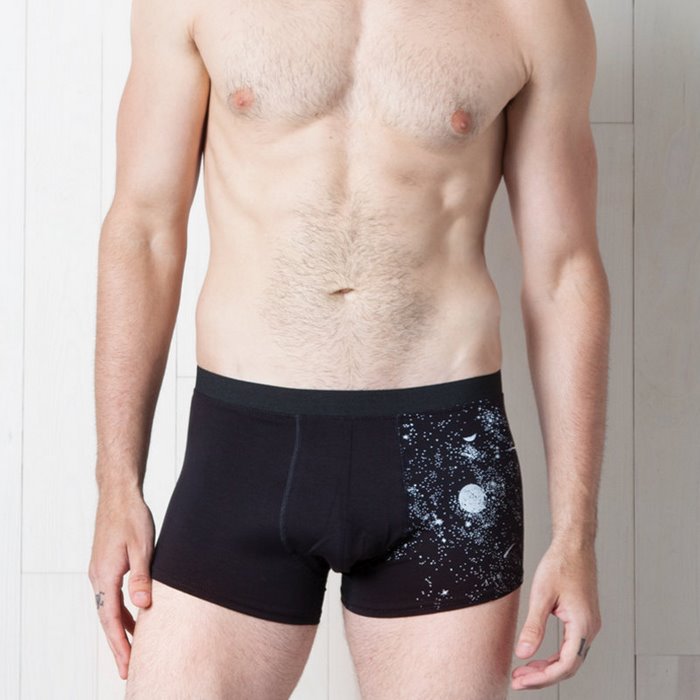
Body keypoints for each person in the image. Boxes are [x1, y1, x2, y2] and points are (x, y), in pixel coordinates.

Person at [88, 0, 608, 696]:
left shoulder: (533, 12)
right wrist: (116, 484)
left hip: (444, 451)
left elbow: (564, 272)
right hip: (243, 446)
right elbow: (144, 230)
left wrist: (576, 533)